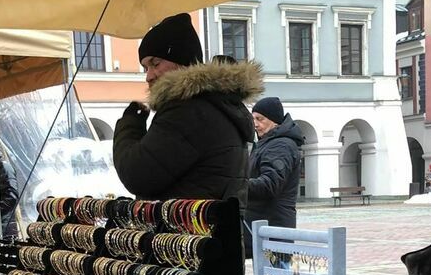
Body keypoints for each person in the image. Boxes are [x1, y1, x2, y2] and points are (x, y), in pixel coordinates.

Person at [113, 13, 263, 204]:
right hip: (209, 221)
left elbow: (137, 174)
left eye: (155, 64)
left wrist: (130, 124)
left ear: (182, 61)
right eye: (145, 68)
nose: (148, 76)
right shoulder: (217, 104)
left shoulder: (187, 110)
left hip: (187, 223)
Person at [244, 97, 305, 240]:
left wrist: (238, 185)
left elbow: (270, 184)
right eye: (253, 119)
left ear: (274, 120)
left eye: (260, 119)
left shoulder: (280, 146)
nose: (255, 124)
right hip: (263, 225)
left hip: (273, 226)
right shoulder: (266, 144)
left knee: (274, 257)